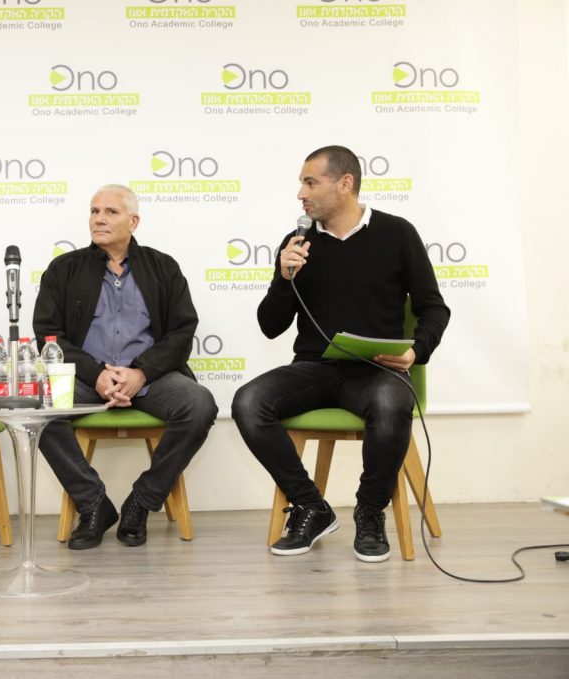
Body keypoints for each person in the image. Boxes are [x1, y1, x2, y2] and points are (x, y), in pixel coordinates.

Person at [231, 145, 451, 563]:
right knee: (249, 401)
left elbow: (434, 308)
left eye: (310, 182)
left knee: (390, 402)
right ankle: (311, 506)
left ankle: (370, 512)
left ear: (345, 183)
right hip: (314, 369)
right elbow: (270, 325)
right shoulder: (297, 243)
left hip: (376, 369)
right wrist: (284, 278)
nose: (301, 193)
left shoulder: (397, 234)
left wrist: (415, 351)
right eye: (301, 183)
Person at [33, 184, 218, 549]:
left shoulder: (163, 267)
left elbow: (182, 332)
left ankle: (141, 502)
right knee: (41, 405)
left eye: (110, 212)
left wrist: (140, 373)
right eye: (94, 211)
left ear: (133, 222)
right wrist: (97, 375)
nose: (99, 219)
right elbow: (49, 335)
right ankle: (93, 504)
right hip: (86, 378)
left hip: (150, 378)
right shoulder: (64, 269)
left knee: (199, 405)